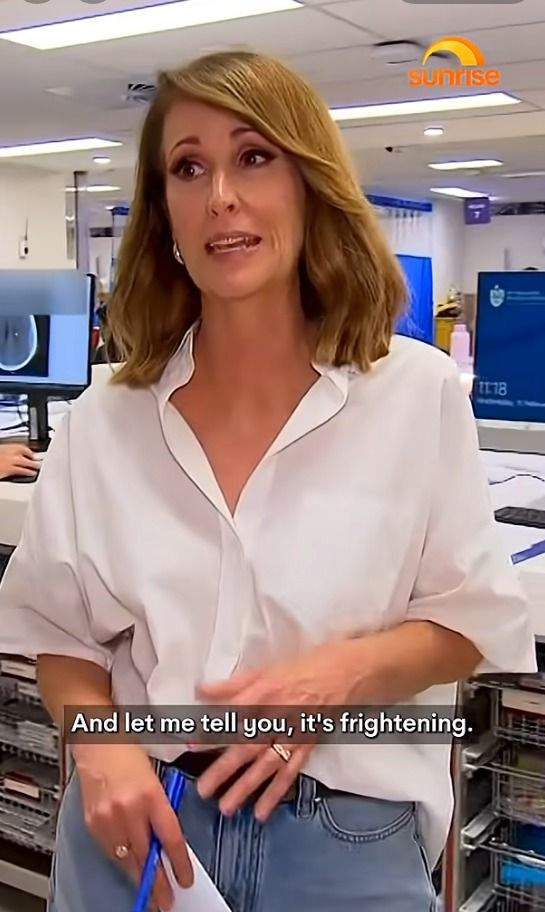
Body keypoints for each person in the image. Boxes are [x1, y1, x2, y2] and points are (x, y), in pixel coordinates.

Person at [0, 51, 536, 912]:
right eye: (188, 168)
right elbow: (60, 635)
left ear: (309, 185)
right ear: (164, 215)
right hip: (142, 827)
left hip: (340, 843)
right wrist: (99, 749)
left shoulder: (414, 393)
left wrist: (333, 680)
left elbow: (467, 620)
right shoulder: (106, 419)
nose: (221, 195)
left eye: (254, 157)